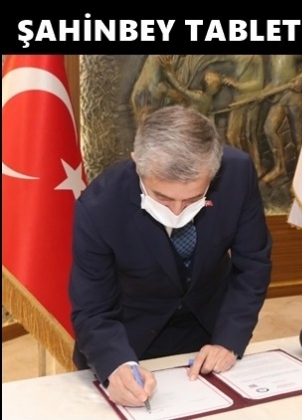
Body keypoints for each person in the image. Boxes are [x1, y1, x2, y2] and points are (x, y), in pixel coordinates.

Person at [69, 105, 273, 408]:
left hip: (209, 330)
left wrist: (229, 339)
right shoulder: (99, 207)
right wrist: (116, 364)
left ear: (214, 172)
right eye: (162, 197)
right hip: (129, 337)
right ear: (137, 163)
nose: (177, 212)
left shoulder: (237, 173)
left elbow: (253, 263)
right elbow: (92, 308)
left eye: (193, 198)